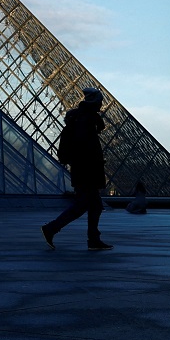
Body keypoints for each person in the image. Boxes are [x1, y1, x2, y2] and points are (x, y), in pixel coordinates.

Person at [42, 87, 112, 250]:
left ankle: (93, 239)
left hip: (84, 169)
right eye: (100, 101)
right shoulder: (85, 120)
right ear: (95, 102)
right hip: (86, 171)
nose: (101, 105)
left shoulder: (82, 118)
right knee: (84, 205)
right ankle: (52, 228)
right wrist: (93, 164)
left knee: (94, 205)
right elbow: (85, 148)